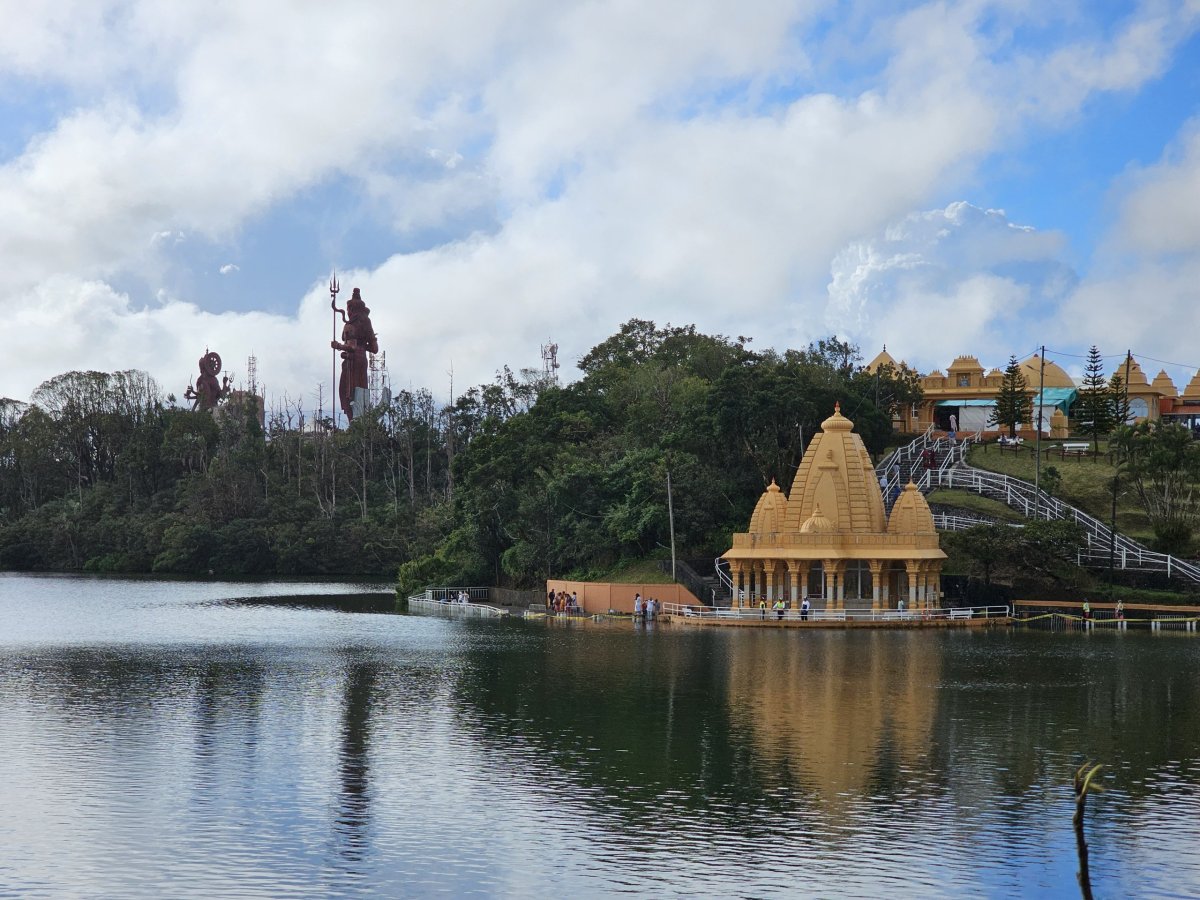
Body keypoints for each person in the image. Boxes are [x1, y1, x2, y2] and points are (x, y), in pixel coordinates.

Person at [330, 287, 379, 422]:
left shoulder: (350, 325)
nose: (348, 311)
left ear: (352, 309)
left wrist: (338, 346)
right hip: (362, 359)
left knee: (347, 392)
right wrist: (363, 346)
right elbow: (374, 348)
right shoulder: (366, 322)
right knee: (360, 390)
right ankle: (360, 421)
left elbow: (351, 346)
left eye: (348, 308)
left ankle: (354, 421)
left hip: (351, 362)